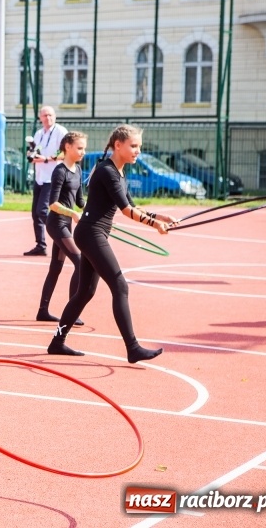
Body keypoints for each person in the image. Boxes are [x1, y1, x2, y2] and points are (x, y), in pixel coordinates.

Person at [46, 125, 176, 363]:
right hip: (91, 233)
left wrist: (160, 217)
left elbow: (132, 205)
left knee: (84, 292)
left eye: (139, 146)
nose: (137, 151)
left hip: (92, 234)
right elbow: (127, 211)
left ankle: (57, 343)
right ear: (118, 145)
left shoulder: (120, 172)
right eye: (133, 146)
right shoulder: (107, 171)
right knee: (120, 286)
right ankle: (133, 347)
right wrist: (153, 225)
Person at [35, 131, 87, 326]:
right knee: (80, 262)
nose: (83, 152)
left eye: (84, 148)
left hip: (66, 224)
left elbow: (80, 201)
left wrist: (96, 214)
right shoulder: (60, 171)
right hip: (56, 224)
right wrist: (72, 213)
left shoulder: (78, 171)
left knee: (56, 268)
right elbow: (53, 203)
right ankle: (72, 313)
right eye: (80, 148)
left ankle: (43, 311)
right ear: (68, 147)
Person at [24, 106, 68, 256]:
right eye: (45, 115)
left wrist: (48, 159)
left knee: (42, 210)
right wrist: (31, 155)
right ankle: (41, 245)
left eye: (50, 115)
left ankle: (62, 237)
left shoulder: (61, 132)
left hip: (53, 177)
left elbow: (65, 152)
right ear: (40, 117)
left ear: (55, 116)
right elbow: (37, 150)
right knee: (35, 214)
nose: (48, 118)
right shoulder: (39, 133)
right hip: (40, 177)